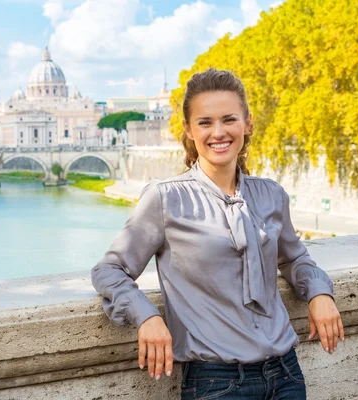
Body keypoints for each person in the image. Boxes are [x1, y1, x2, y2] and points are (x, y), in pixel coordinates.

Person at [91, 68, 344, 400]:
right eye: (205, 122)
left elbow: (295, 258)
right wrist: (146, 316)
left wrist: (319, 293)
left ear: (247, 124)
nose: (218, 132)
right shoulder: (166, 198)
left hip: (286, 375)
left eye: (229, 119)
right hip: (216, 384)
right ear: (188, 130)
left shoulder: (271, 195)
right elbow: (109, 270)